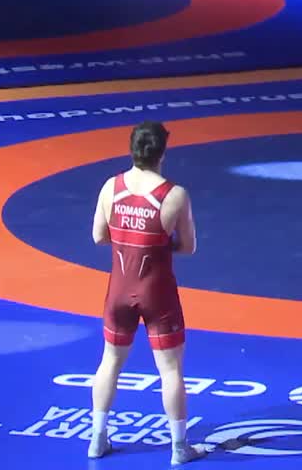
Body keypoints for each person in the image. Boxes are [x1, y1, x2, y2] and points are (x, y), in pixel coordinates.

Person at [87, 121, 205, 464]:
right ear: (162, 153)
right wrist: (157, 241)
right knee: (170, 370)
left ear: (132, 150)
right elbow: (189, 246)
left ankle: (97, 440)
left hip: (119, 290)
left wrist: (128, 237)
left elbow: (99, 236)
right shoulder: (175, 195)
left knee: (110, 361)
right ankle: (179, 448)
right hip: (158, 292)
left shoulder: (111, 187)